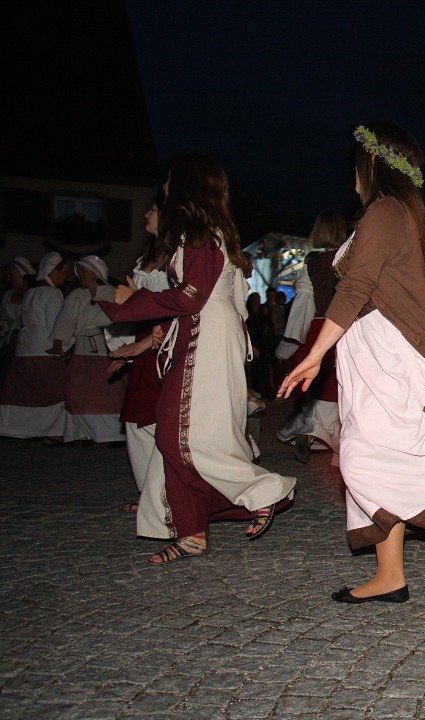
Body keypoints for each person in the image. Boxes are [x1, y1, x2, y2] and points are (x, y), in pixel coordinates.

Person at [279, 122, 425, 603]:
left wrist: (314, 355)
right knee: (377, 457)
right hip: (368, 350)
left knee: (371, 457)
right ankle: (392, 573)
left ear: (371, 163)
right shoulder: (383, 215)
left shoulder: (386, 213)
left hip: (389, 352)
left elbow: (355, 288)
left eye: (355, 161)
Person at [99, 153, 296, 564]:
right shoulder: (202, 231)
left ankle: (264, 490)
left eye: (170, 181)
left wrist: (129, 305)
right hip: (198, 333)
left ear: (186, 185)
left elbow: (192, 296)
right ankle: (192, 531)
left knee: (184, 436)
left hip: (205, 334)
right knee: (175, 436)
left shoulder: (200, 232)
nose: (164, 188)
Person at [108, 190, 172, 531]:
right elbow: (131, 309)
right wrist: (122, 347)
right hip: (143, 344)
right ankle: (150, 491)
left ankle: (163, 497)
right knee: (136, 422)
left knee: (156, 422)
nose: (146, 213)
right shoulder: (147, 256)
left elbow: (173, 306)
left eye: (153, 209)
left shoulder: (174, 257)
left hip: (162, 344)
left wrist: (146, 342)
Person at [275, 211, 348, 463]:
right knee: (340, 388)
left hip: (317, 329)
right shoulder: (348, 260)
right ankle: (338, 444)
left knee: (318, 388)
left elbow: (303, 304)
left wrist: (292, 339)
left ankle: (309, 429)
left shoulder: (311, 263)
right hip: (344, 328)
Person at [49, 255, 127, 444]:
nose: (78, 274)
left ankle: (113, 434)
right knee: (75, 391)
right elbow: (65, 321)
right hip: (83, 350)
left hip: (106, 349)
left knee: (109, 393)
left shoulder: (112, 294)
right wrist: (59, 343)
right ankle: (83, 432)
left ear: (95, 272)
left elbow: (122, 320)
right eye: (77, 271)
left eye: (82, 270)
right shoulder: (76, 296)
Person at [0, 253, 72, 440]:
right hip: (45, 351)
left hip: (26, 349)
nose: (66, 276)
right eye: (63, 272)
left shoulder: (31, 291)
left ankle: (17, 427)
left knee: (26, 391)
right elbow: (56, 325)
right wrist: (64, 346)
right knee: (54, 392)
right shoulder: (52, 293)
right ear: (52, 271)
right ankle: (53, 432)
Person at [0, 257, 35, 386]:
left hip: (25, 346)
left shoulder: (33, 296)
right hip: (7, 345)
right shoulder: (8, 295)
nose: (9, 279)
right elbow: (3, 318)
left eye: (11, 275)